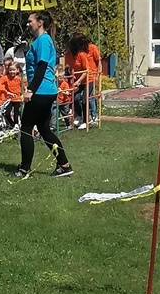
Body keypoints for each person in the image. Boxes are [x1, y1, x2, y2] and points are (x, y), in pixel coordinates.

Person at [16, 11, 73, 179]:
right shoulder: (40, 41)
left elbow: (41, 67)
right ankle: (64, 165)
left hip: (41, 91)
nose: (28, 24)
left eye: (30, 21)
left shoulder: (43, 40)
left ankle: (24, 169)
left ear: (40, 22)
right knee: (44, 128)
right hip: (46, 91)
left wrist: (30, 90)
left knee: (26, 128)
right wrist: (26, 49)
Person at [65, 33, 100, 128]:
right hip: (78, 80)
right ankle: (79, 116)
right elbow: (69, 68)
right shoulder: (68, 55)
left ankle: (87, 120)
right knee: (75, 97)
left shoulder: (83, 54)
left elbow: (87, 70)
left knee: (85, 100)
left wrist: (97, 75)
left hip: (89, 78)